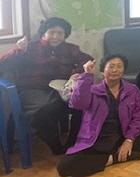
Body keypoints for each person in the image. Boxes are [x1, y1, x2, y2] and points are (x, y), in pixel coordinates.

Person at [0, 17, 91, 154]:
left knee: (81, 104)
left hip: (60, 89)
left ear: (65, 35)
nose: (56, 36)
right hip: (32, 90)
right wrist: (17, 49)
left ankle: (72, 142)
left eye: (60, 33)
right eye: (51, 32)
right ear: (44, 33)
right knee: (43, 112)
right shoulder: (30, 47)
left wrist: (76, 74)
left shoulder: (71, 49)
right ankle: (56, 146)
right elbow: (3, 63)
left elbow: (88, 60)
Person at [57, 55, 140, 177]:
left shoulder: (133, 90)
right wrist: (87, 75)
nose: (115, 70)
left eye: (119, 66)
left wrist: (129, 140)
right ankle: (115, 158)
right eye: (111, 66)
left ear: (123, 70)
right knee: (64, 167)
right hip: (97, 139)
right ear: (102, 70)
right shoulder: (93, 90)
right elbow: (77, 103)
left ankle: (117, 152)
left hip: (123, 135)